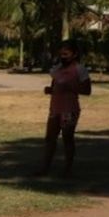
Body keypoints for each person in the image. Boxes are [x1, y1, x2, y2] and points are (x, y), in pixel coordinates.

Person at [39, 39, 91, 177]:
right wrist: (50, 90)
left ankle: (67, 169)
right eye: (61, 54)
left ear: (74, 54)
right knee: (50, 138)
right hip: (55, 109)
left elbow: (87, 90)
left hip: (70, 110)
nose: (63, 57)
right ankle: (45, 168)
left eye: (66, 54)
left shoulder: (80, 70)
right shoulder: (57, 70)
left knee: (67, 138)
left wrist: (71, 87)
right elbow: (54, 85)